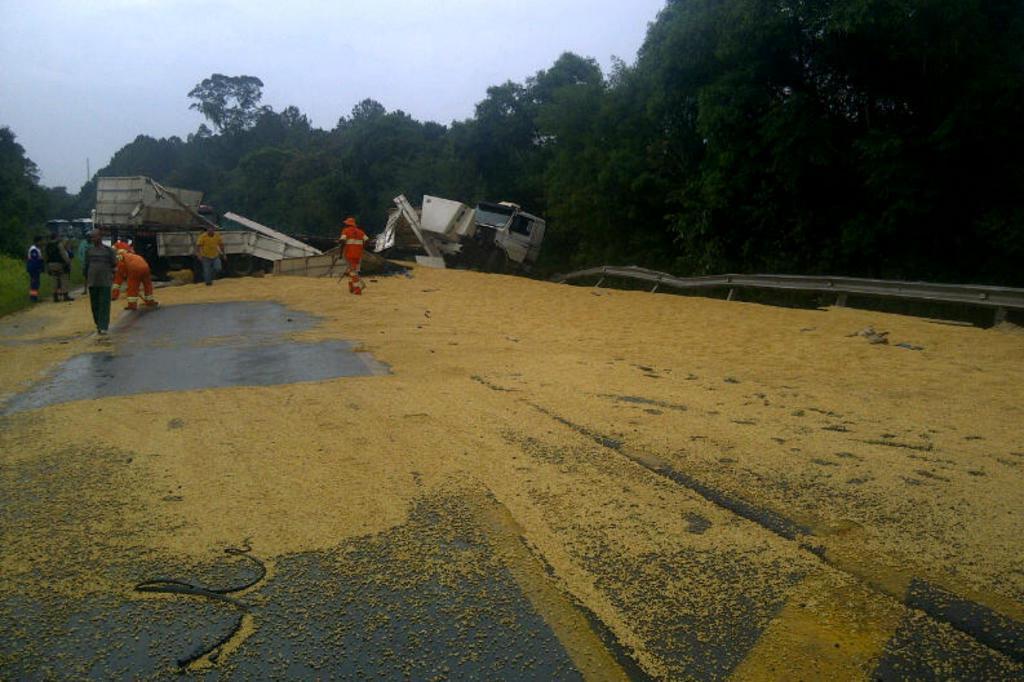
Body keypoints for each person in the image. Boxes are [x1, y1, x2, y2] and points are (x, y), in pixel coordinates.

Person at [82, 230, 118, 334]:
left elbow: (114, 264)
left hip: (105, 281)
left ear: (100, 237)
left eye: (95, 237)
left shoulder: (109, 251)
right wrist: (86, 279)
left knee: (104, 304)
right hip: (93, 281)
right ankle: (98, 323)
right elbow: (86, 266)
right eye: (92, 237)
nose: (93, 239)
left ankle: (103, 326)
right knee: (95, 304)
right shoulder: (89, 251)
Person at [338, 216, 367, 295]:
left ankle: (357, 289)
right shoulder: (361, 232)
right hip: (358, 255)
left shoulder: (345, 231)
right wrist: (361, 248)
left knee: (352, 272)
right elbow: (367, 240)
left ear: (347, 224)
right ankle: (351, 287)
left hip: (349, 254)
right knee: (353, 271)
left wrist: (340, 253)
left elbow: (342, 241)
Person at [44, 232, 73, 302]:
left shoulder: (47, 245)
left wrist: (47, 266)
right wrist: (68, 262)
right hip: (59, 264)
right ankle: (65, 296)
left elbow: (45, 256)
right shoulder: (59, 244)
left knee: (54, 280)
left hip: (51, 264)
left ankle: (55, 297)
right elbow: (63, 254)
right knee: (64, 279)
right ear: (56, 237)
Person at [26, 236, 44, 302]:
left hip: (35, 268)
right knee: (34, 283)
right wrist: (38, 267)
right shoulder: (33, 249)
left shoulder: (37, 248)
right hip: (34, 268)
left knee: (36, 283)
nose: (42, 242)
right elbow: (34, 260)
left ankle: (35, 297)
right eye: (41, 241)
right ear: (38, 241)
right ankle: (33, 298)